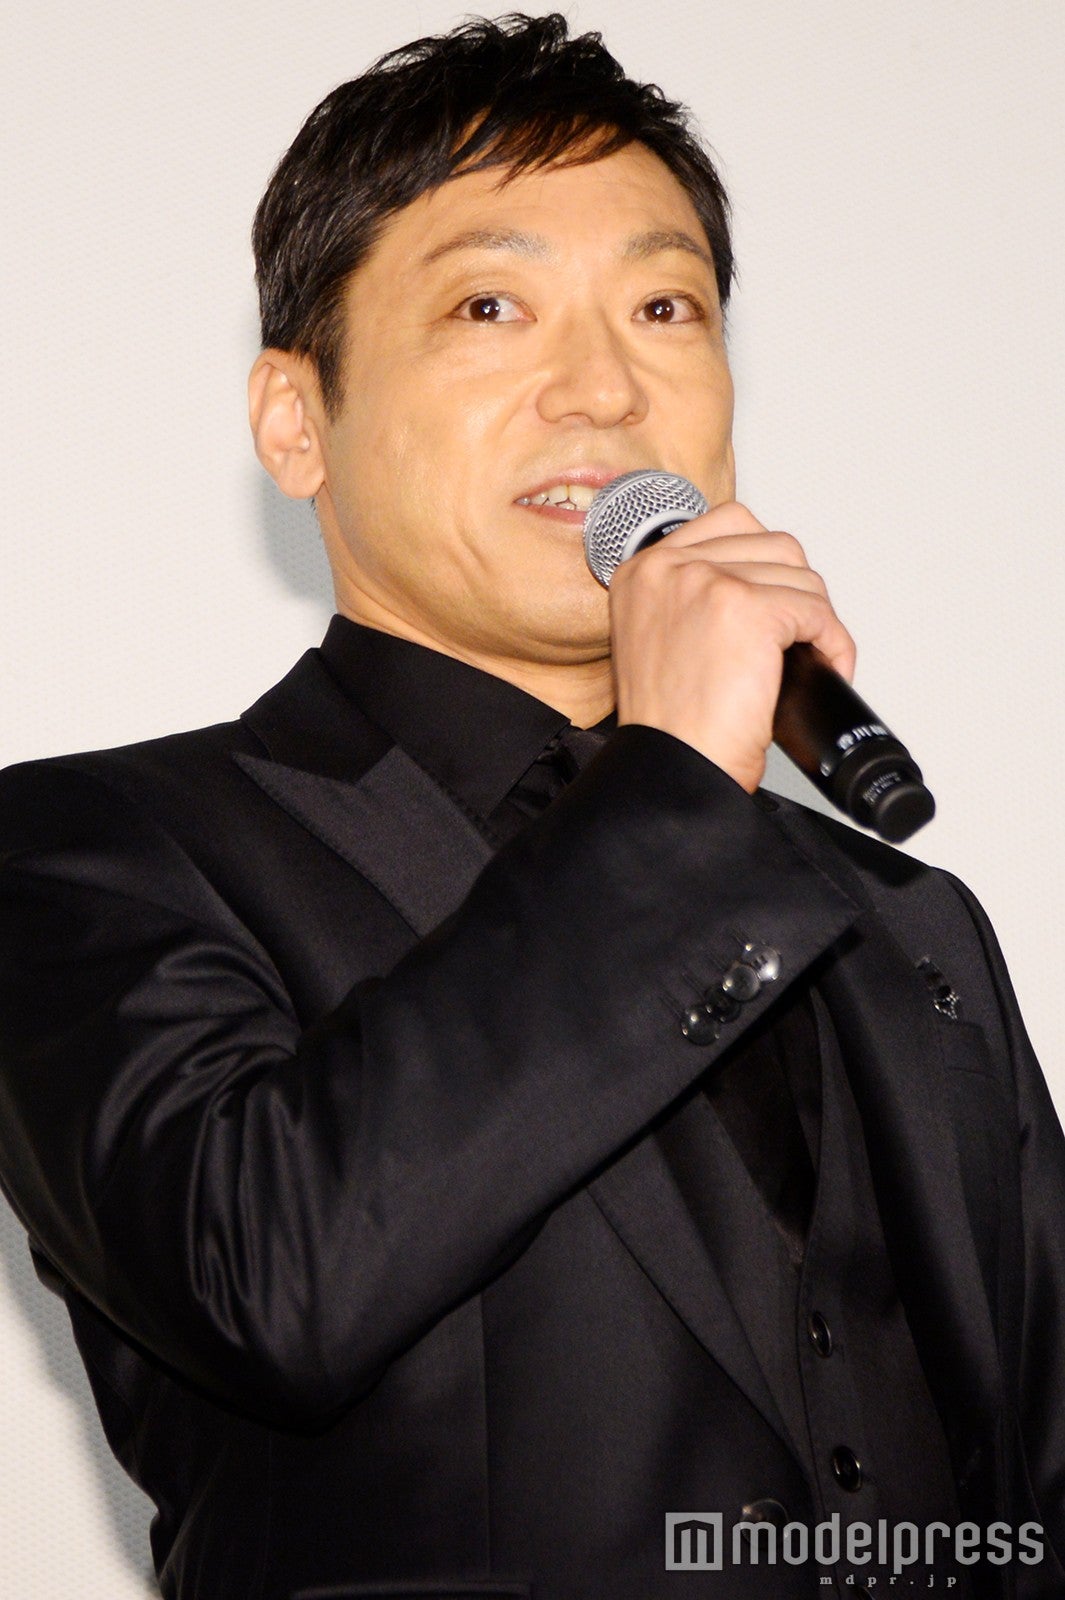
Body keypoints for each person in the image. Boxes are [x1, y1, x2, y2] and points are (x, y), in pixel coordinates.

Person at [0, 13, 1062, 1598]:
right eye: (490, 305)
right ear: (295, 420)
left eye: (663, 307)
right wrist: (674, 787)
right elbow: (266, 1278)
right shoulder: (94, 850)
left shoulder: (911, 926)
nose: (604, 388)